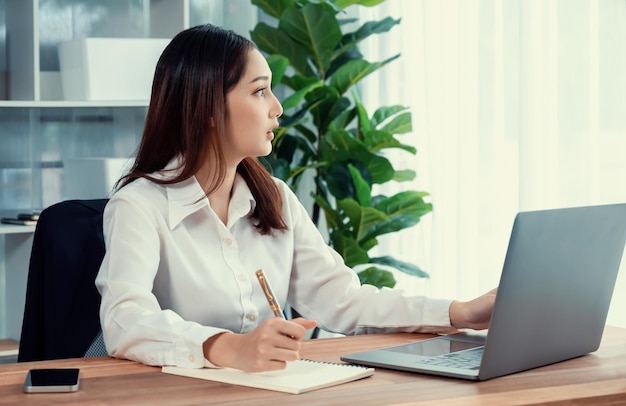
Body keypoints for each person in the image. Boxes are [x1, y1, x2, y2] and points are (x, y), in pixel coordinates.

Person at [95, 24, 496, 373]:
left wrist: (459, 312)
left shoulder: (276, 199)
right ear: (209, 108)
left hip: (274, 389)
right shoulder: (139, 206)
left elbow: (346, 302)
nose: (277, 107)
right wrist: (229, 347)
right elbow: (125, 320)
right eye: (260, 91)